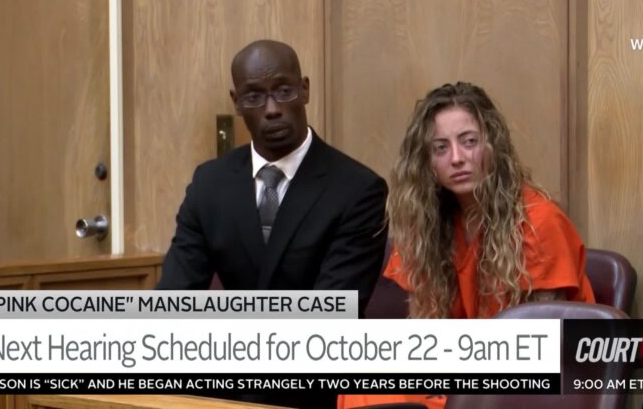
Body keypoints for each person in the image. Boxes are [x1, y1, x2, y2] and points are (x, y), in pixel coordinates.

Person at [156, 40, 388, 409]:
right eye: (254, 96)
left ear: (305, 89)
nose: (272, 109)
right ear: (236, 102)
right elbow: (172, 303)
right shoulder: (210, 184)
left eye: (283, 90)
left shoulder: (357, 190)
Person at [338, 82, 594, 409]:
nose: (457, 158)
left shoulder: (538, 221)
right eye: (440, 148)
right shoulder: (429, 224)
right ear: (426, 161)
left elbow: (541, 347)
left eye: (469, 142)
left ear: (493, 146)